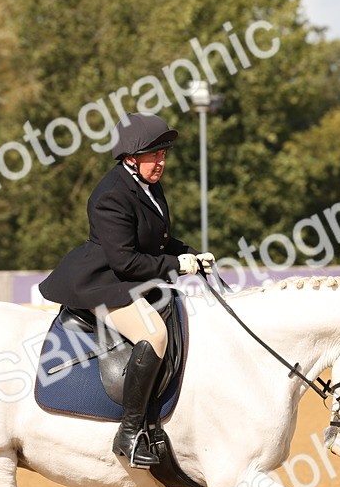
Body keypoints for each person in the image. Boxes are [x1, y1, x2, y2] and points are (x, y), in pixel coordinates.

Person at [38, 113, 215, 467]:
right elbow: (127, 262)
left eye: (164, 154)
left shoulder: (147, 185)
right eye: (155, 155)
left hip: (128, 277)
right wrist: (176, 266)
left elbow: (154, 239)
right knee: (155, 335)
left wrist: (187, 252)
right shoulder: (112, 195)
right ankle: (130, 432)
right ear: (132, 157)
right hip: (104, 281)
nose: (161, 161)